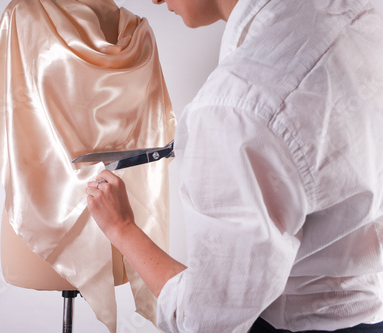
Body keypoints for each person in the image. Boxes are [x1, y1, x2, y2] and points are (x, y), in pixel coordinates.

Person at [86, 0, 383, 332]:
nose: (153, 0)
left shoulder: (235, 107)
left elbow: (203, 321)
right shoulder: (362, 10)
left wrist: (122, 229)